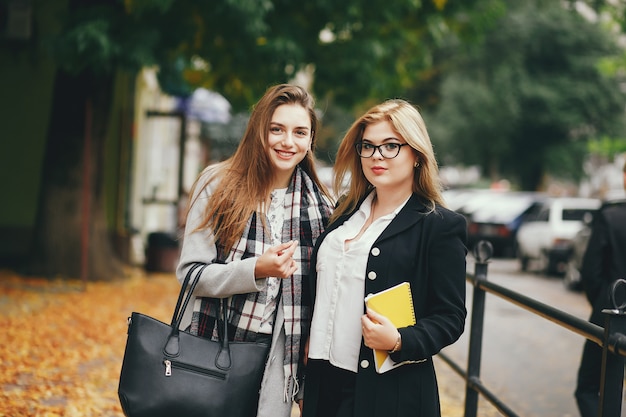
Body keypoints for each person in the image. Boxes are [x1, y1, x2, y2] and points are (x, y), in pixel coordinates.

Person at [302, 99, 468, 417]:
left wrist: (399, 340)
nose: (377, 156)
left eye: (391, 145)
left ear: (416, 154)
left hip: (387, 394)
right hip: (323, 384)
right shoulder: (344, 212)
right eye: (368, 146)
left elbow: (450, 317)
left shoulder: (439, 226)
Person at [176, 84, 333, 417]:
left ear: (310, 140)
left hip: (281, 359)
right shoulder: (218, 184)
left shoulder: (321, 207)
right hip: (215, 342)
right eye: (277, 129)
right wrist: (255, 270)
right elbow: (191, 275)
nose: (288, 142)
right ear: (259, 130)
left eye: (299, 132)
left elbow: (321, 300)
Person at [575, 160, 626, 417]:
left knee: (588, 387)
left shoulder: (611, 217)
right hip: (609, 307)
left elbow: (591, 270)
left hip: (611, 310)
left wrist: (601, 302)